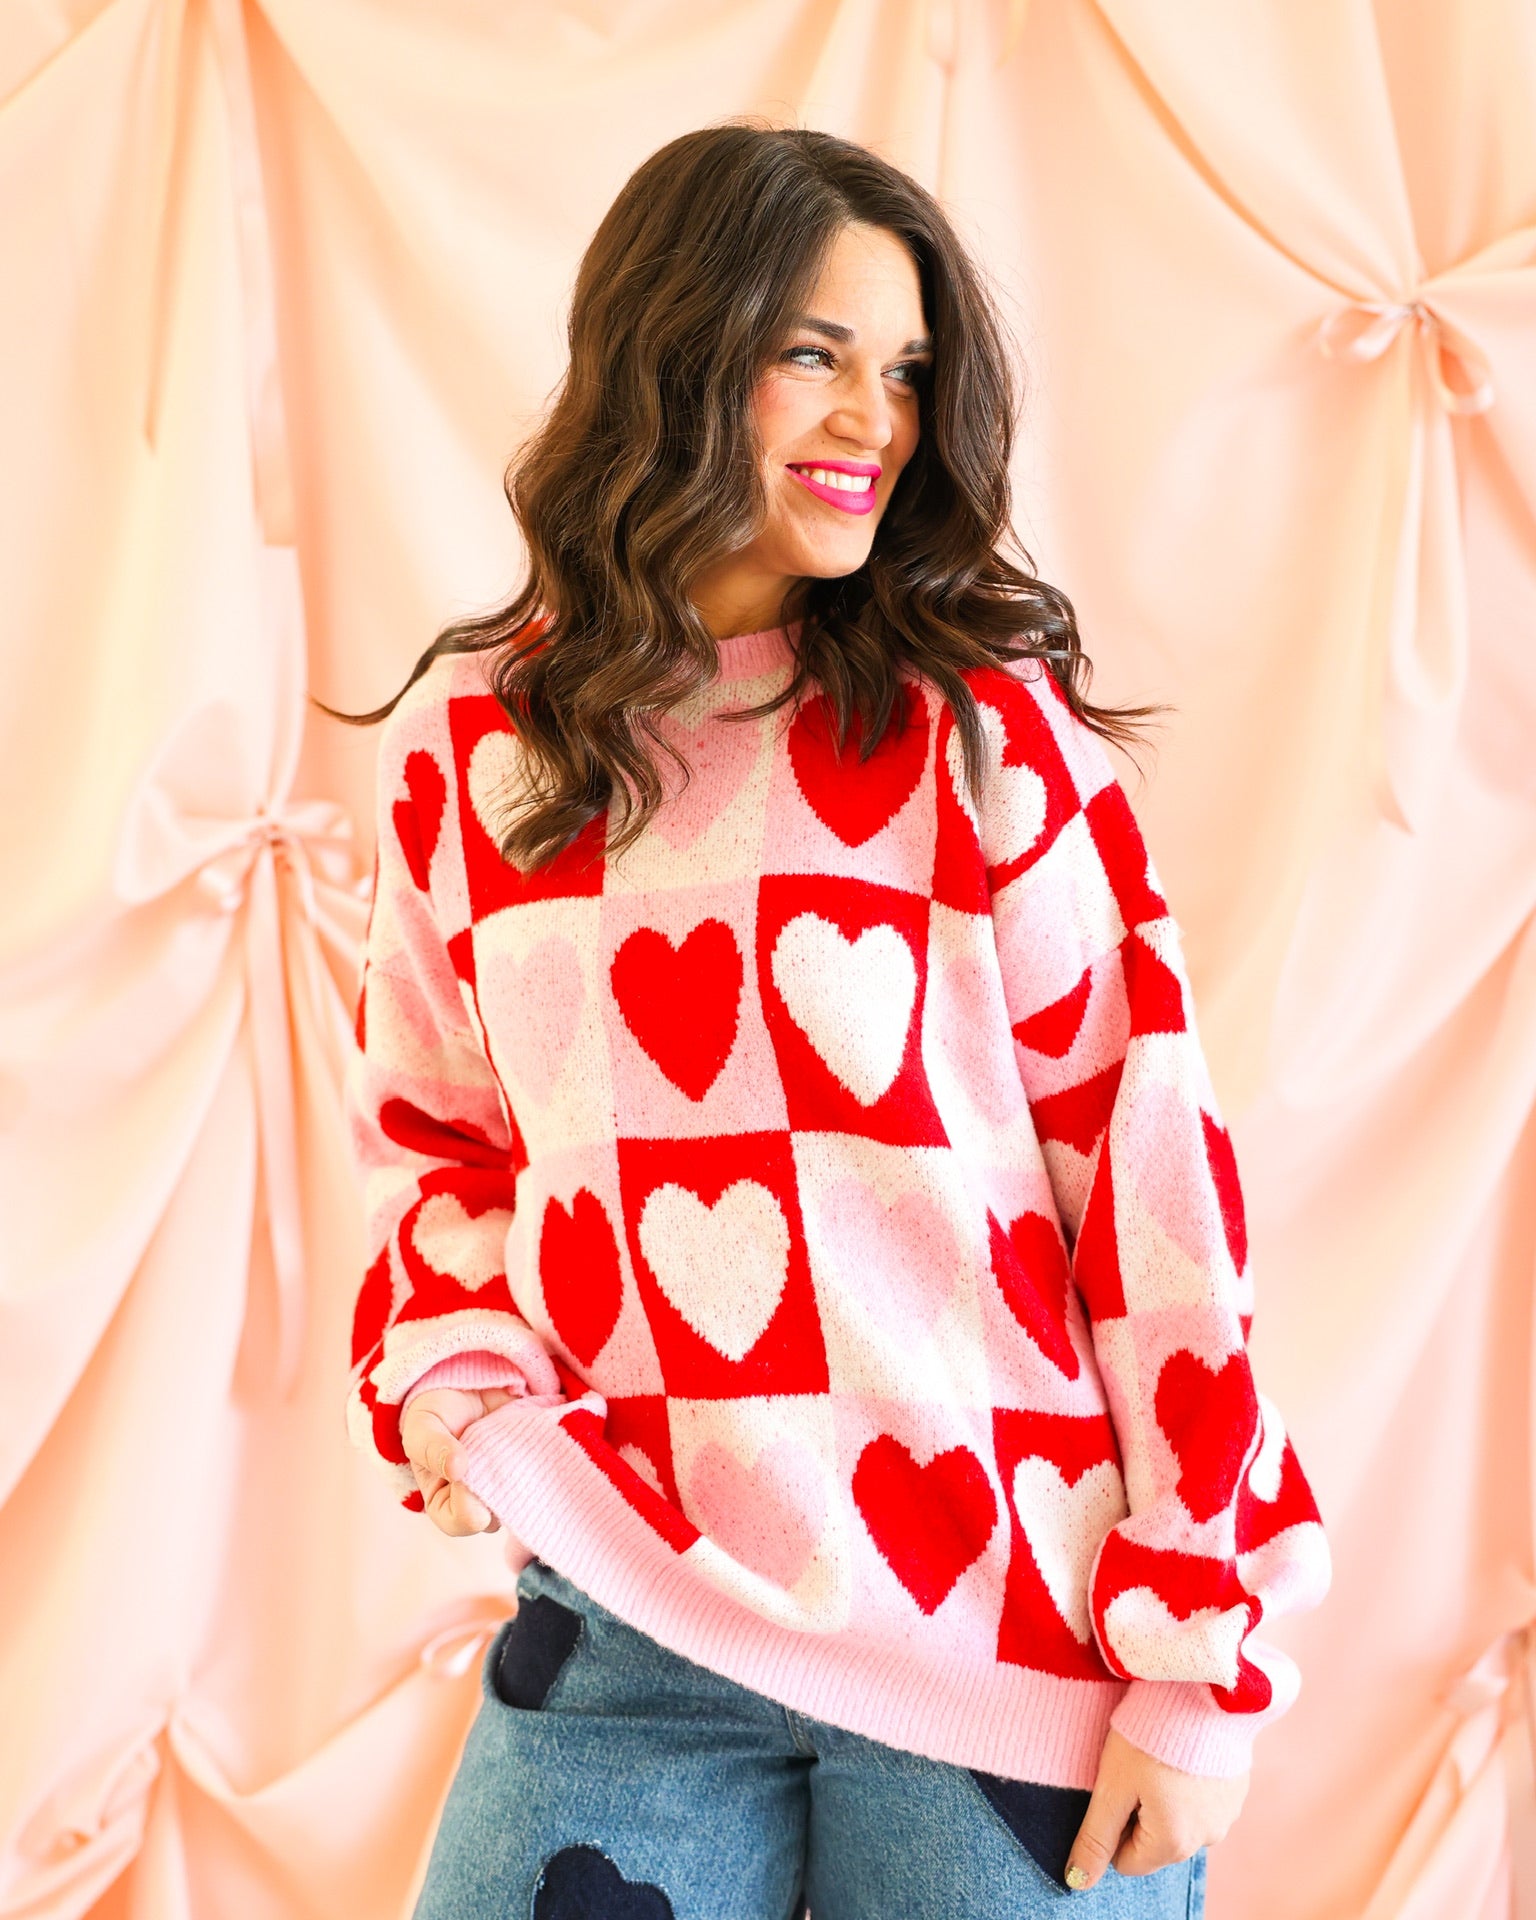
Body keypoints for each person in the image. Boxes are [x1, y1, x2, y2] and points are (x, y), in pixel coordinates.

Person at [340, 123, 1330, 1920]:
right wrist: (460, 1373)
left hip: (1008, 1630)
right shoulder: (484, 748)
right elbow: (441, 1137)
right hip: (628, 1606)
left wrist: (1202, 1653)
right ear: (675, 349)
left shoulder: (979, 734)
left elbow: (1152, 1185)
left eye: (909, 371)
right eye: (816, 353)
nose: (877, 418)